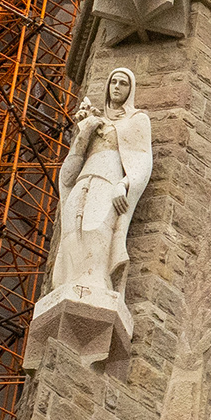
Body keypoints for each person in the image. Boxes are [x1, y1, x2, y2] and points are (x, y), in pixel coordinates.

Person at [53, 67, 152, 300]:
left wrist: (124, 184)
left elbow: (142, 161)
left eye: (123, 83)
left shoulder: (137, 120)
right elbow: (68, 173)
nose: (117, 87)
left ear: (131, 90)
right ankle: (70, 283)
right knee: (72, 231)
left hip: (108, 182)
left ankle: (97, 284)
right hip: (83, 180)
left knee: (96, 229)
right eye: (113, 82)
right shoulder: (94, 121)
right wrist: (84, 133)